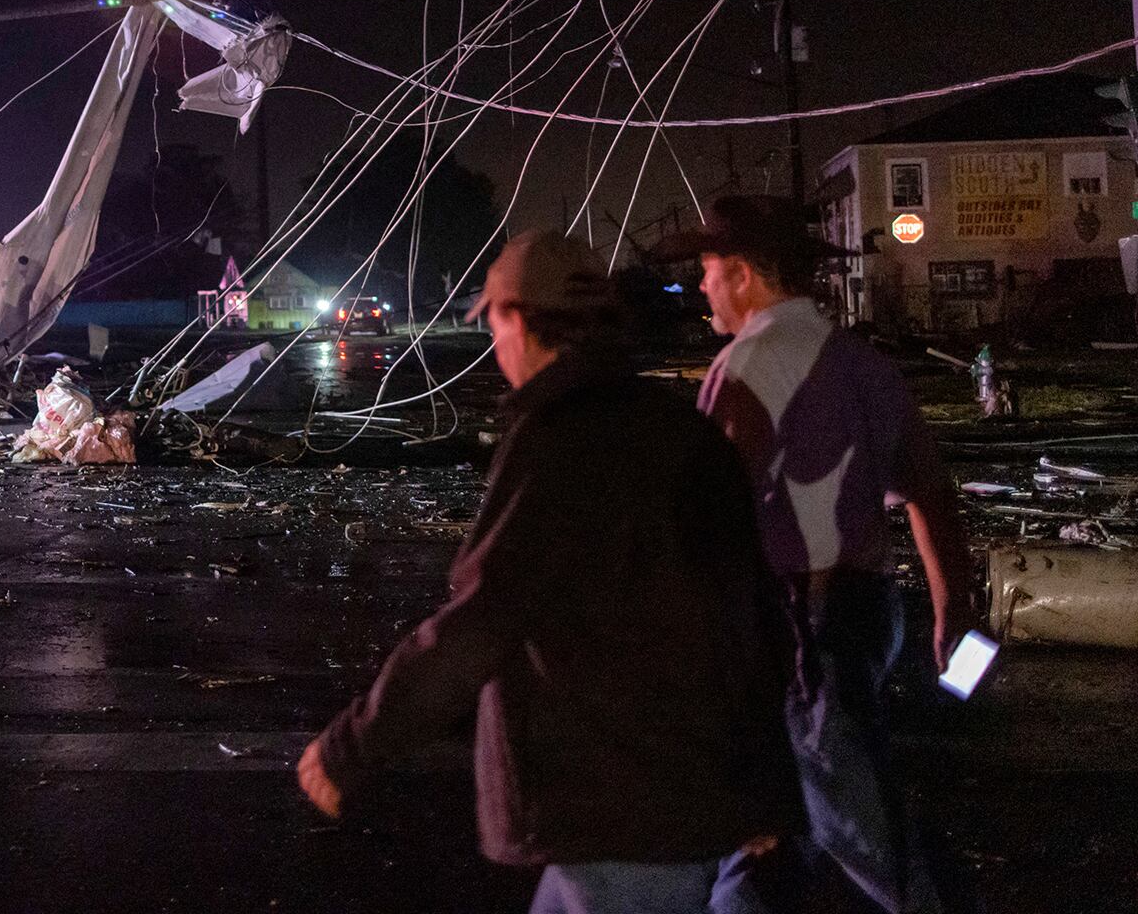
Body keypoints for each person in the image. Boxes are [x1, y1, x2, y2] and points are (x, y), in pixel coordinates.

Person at [298, 231, 798, 914]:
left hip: (613, 799)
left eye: (495, 323)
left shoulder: (557, 446)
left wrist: (352, 746)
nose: (496, 346)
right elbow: (754, 617)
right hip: (683, 787)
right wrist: (768, 781)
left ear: (518, 320)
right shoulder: (684, 433)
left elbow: (480, 621)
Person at [653, 196, 977, 914]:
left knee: (853, 816)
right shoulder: (867, 368)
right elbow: (927, 490)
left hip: (799, 624)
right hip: (863, 610)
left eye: (708, 270)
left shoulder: (748, 366)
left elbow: (716, 515)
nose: (701, 286)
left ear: (741, 275)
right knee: (773, 822)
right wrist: (951, 605)